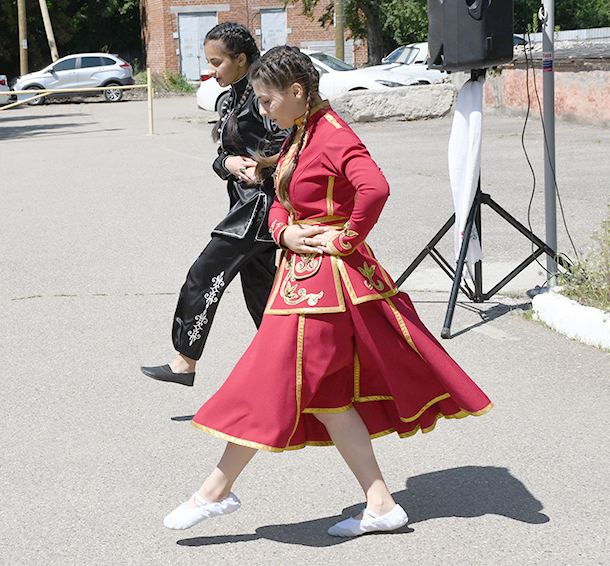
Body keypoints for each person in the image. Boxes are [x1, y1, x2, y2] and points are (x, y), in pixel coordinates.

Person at [162, 46, 493, 536]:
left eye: (267, 100)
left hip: (328, 287)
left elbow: (374, 189)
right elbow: (279, 193)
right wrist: (284, 233)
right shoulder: (300, 131)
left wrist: (345, 237)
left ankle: (214, 491)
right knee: (328, 397)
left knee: (268, 377)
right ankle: (381, 505)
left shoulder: (333, 135)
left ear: (297, 92)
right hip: (303, 277)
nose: (262, 109)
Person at [141, 22, 290, 387]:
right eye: (208, 61)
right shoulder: (229, 99)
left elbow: (288, 139)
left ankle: (184, 361)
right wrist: (230, 163)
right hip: (243, 205)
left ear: (241, 59)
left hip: (259, 208)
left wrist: (260, 164)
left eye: (218, 62)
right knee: (262, 295)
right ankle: (289, 370)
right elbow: (222, 154)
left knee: (203, 275)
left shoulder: (262, 95)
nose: (212, 70)